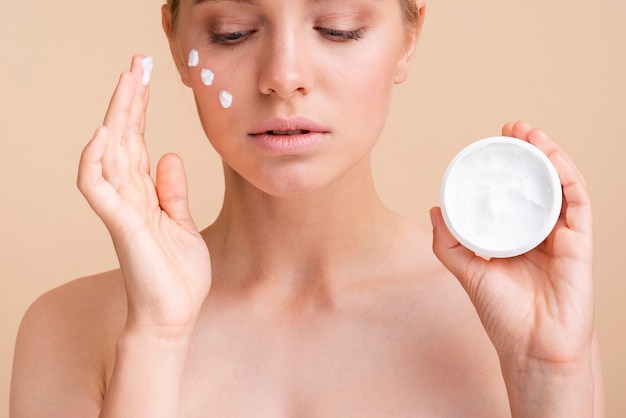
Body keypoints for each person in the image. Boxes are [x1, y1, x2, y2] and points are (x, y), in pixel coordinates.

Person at [10, 0, 605, 416]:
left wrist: (548, 377)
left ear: (409, 39)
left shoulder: (511, 323)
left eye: (339, 28)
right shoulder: (72, 331)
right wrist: (157, 340)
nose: (284, 77)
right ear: (175, 39)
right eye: (233, 31)